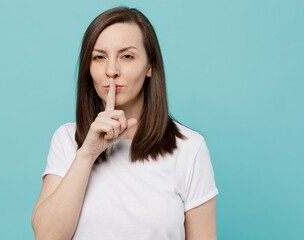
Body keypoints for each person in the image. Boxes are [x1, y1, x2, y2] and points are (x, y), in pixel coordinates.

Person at [31, 6, 219, 240]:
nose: (111, 71)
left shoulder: (190, 147)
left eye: (127, 56)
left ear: (149, 65)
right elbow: (47, 236)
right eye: (99, 57)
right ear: (88, 68)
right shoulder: (67, 139)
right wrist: (87, 154)